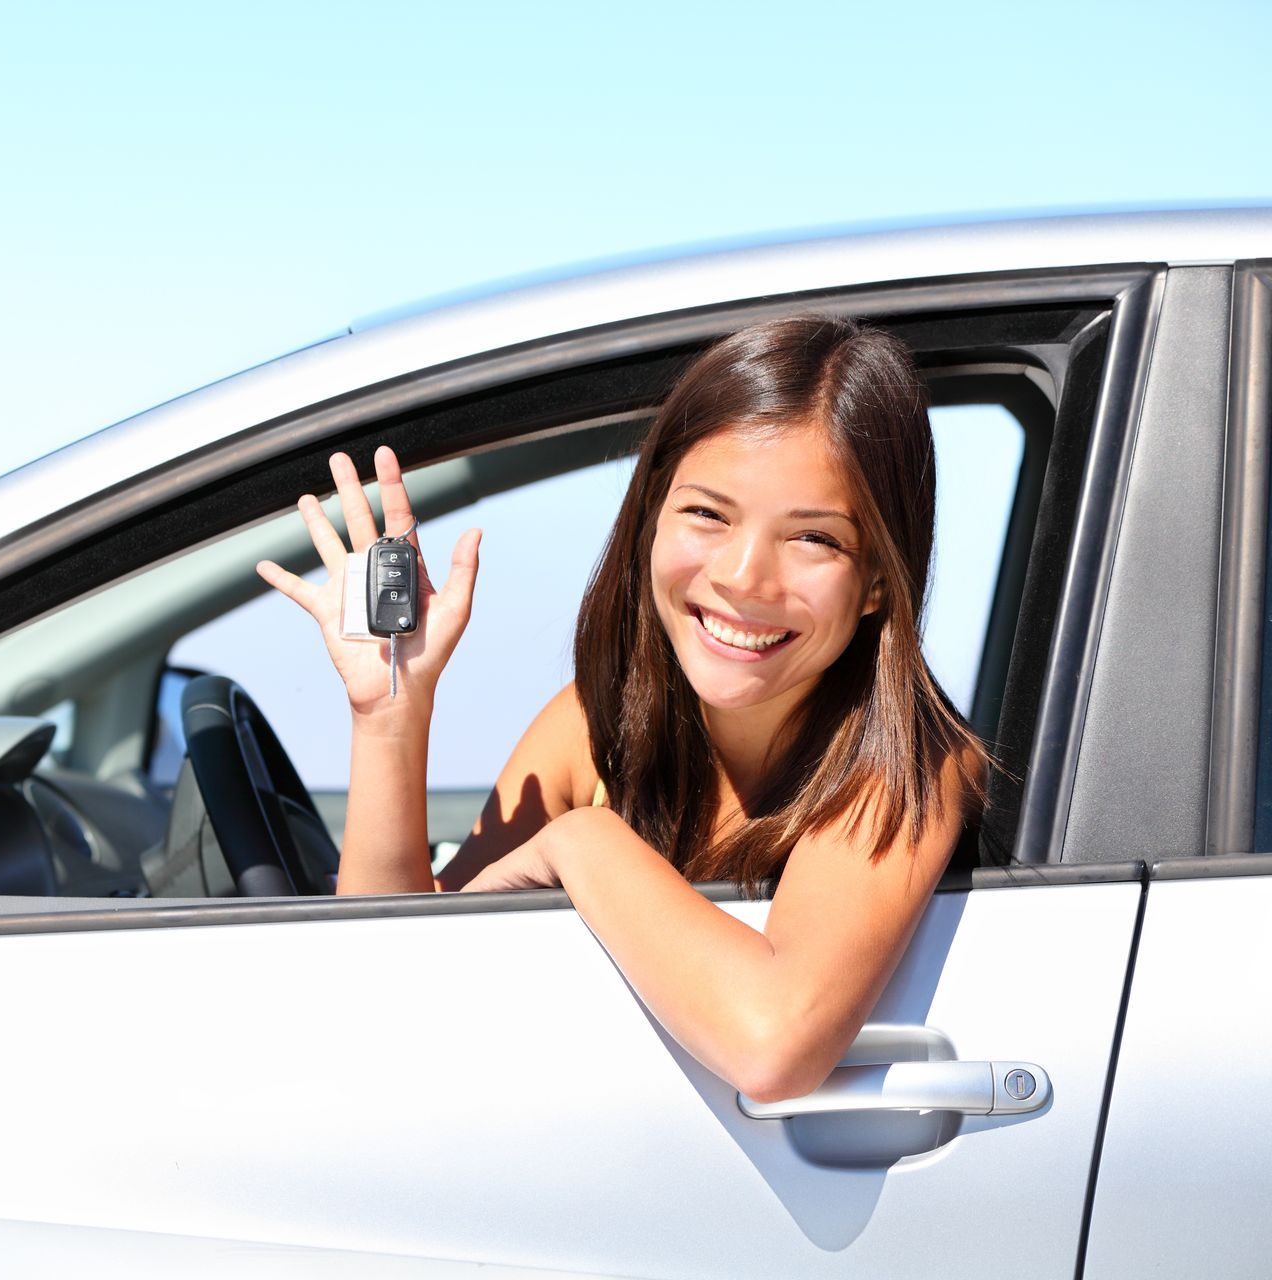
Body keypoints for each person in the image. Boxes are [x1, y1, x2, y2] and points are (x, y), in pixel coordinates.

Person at [254, 314, 988, 1103]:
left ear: (879, 581)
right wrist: (390, 715)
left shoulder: (912, 765)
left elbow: (774, 1045)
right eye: (707, 514)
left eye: (813, 538)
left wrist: (581, 841)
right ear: (649, 521)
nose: (745, 576)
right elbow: (391, 983)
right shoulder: (593, 728)